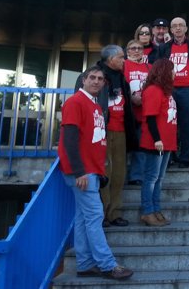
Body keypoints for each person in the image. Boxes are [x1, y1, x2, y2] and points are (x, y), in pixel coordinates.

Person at [57, 65, 133, 280]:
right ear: (83, 80)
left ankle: (84, 264)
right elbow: (69, 139)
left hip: (91, 171)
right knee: (95, 216)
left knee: (83, 219)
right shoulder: (75, 102)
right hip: (82, 172)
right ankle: (107, 265)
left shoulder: (95, 105)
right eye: (92, 77)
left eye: (100, 79)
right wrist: (80, 171)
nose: (96, 81)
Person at [77, 45, 134, 228]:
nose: (124, 60)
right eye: (120, 57)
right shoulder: (94, 76)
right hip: (101, 131)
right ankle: (101, 213)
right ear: (110, 60)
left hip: (121, 131)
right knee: (104, 173)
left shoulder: (121, 78)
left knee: (119, 174)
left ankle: (114, 213)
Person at [150, 17, 189, 168]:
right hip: (169, 91)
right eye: (174, 26)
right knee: (169, 125)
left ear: (186, 29)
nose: (178, 28)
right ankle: (169, 157)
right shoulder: (164, 48)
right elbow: (159, 68)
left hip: (188, 90)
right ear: (171, 30)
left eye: (181, 26)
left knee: (187, 126)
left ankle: (185, 158)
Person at [139, 59, 177, 227]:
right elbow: (151, 117)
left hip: (167, 142)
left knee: (159, 179)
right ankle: (148, 211)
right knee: (151, 178)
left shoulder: (166, 91)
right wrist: (157, 139)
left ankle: (156, 209)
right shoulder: (154, 90)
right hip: (157, 142)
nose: (174, 73)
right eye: (172, 70)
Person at [123, 40, 151, 186]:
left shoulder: (149, 67)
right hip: (125, 113)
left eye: (140, 48)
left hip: (143, 113)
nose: (137, 51)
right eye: (133, 48)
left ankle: (136, 176)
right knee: (122, 147)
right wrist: (131, 97)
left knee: (140, 147)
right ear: (127, 51)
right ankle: (120, 177)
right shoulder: (123, 65)